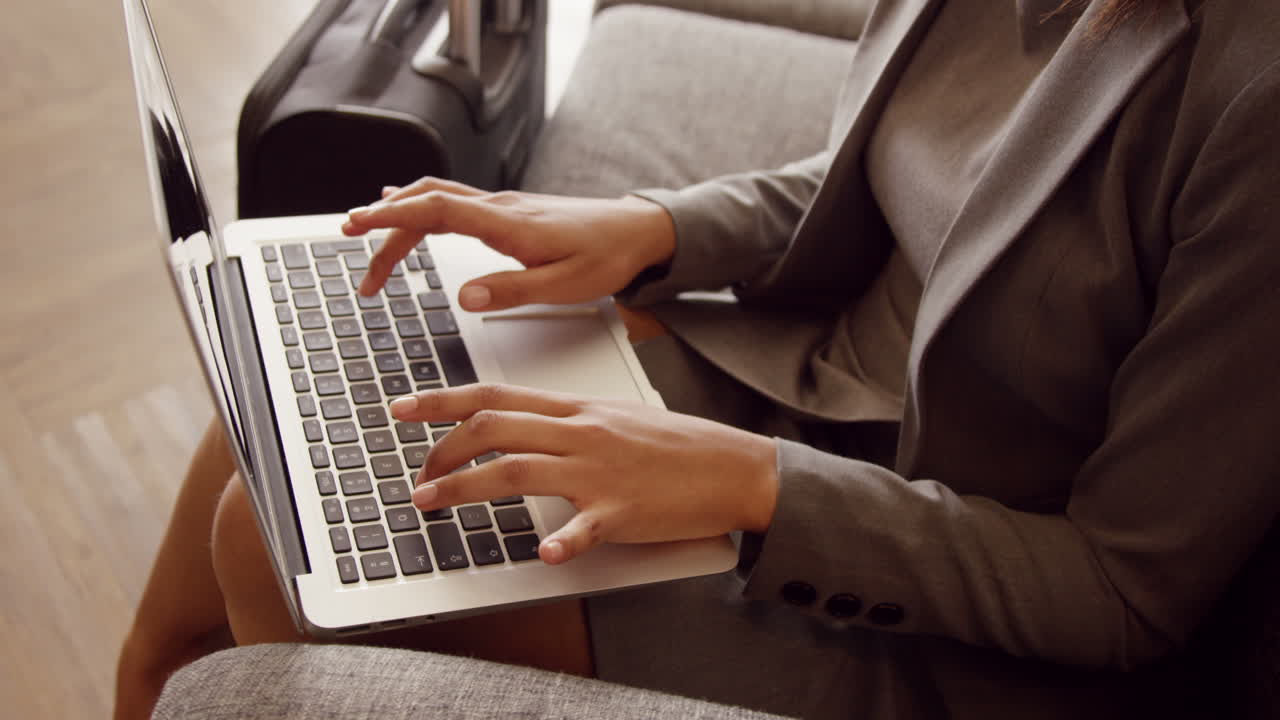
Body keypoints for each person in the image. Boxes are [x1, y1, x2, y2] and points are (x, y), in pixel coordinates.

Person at [116, 0, 1280, 718]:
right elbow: (902, 175)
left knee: (264, 547)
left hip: (957, 614)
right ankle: (144, 686)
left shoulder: (1253, 103)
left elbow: (1126, 592)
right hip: (807, 381)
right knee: (313, 350)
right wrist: (648, 228)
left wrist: (749, 484)